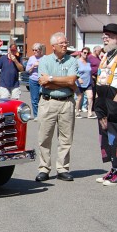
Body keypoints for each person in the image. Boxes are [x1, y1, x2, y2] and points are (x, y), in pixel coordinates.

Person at [35, 32, 78, 182]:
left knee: (66, 138)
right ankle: (44, 169)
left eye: (66, 43)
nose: (65, 45)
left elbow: (72, 81)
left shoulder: (72, 61)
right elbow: (43, 82)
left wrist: (52, 79)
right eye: (62, 43)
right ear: (53, 46)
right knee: (44, 137)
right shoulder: (45, 61)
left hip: (67, 102)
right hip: (48, 102)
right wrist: (65, 82)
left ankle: (63, 168)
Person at [93, 23, 117, 185]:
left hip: (114, 99)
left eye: (108, 36)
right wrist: (99, 105)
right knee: (105, 137)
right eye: (104, 36)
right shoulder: (105, 56)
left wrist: (114, 106)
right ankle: (113, 168)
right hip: (103, 98)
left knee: (116, 138)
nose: (104, 39)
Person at [75, 48, 95, 119]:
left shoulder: (88, 61)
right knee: (79, 98)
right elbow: (74, 71)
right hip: (79, 83)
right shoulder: (77, 61)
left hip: (88, 82)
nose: (86, 54)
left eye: (87, 53)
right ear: (81, 53)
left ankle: (89, 113)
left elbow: (89, 72)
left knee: (90, 96)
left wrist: (92, 80)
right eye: (84, 52)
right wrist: (78, 78)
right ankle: (77, 112)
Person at [25, 43, 43, 120]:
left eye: (36, 50)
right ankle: (36, 115)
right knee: (34, 99)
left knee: (43, 98)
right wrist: (33, 66)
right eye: (33, 50)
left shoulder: (44, 58)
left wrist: (40, 65)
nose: (34, 51)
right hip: (33, 80)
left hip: (42, 80)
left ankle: (43, 115)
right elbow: (27, 71)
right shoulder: (31, 59)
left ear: (40, 50)